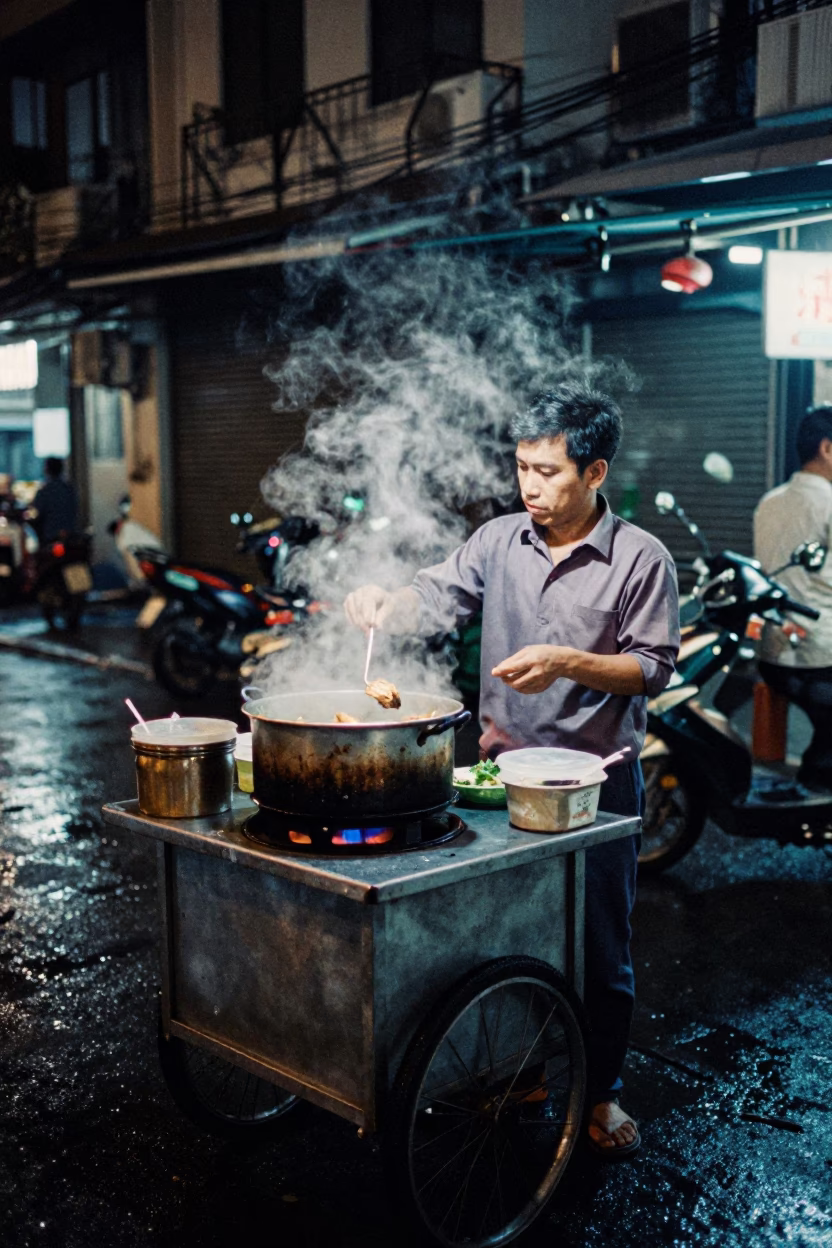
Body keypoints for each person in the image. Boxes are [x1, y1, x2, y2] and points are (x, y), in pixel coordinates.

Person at [345, 381, 679, 1158]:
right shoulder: (500, 541)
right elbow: (440, 590)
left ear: (594, 473)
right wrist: (387, 601)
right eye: (522, 467)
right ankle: (519, 1074)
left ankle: (599, 1094)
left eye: (548, 471)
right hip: (498, 777)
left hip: (597, 786)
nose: (529, 486)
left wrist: (569, 661)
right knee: (501, 940)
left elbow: (653, 667)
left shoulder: (640, 559)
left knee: (601, 947)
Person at [754, 405, 832, 790]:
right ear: (827, 449)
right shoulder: (829, 502)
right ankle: (817, 797)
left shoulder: (770, 501)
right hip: (822, 657)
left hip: (774, 653)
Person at [31, 457, 78, 544]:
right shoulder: (69, 489)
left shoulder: (44, 490)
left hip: (49, 535)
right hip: (70, 534)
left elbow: (37, 511)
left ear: (47, 470)